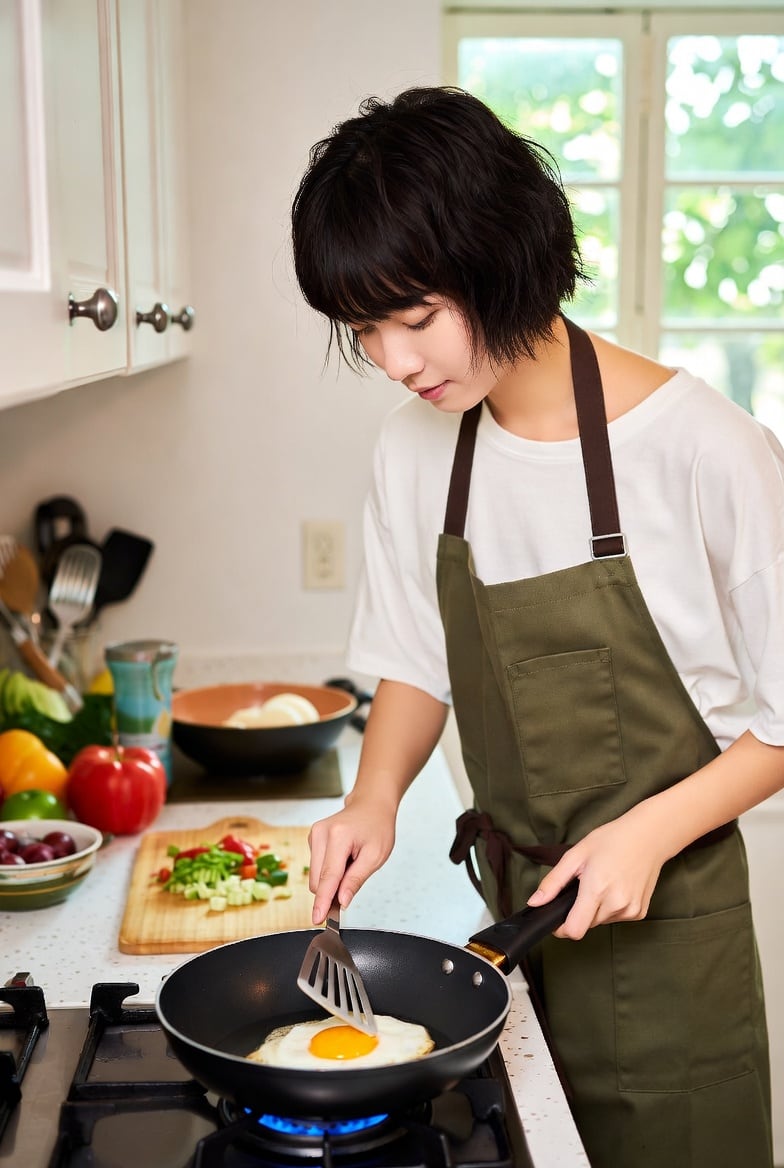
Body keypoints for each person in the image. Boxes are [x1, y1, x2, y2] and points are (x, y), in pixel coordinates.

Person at [290, 86, 781, 1168]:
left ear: (504, 254)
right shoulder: (418, 447)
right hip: (503, 935)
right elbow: (417, 655)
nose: (396, 362)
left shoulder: (705, 449)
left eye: (413, 318)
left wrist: (648, 830)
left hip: (667, 952)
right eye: (364, 330)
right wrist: (372, 798)